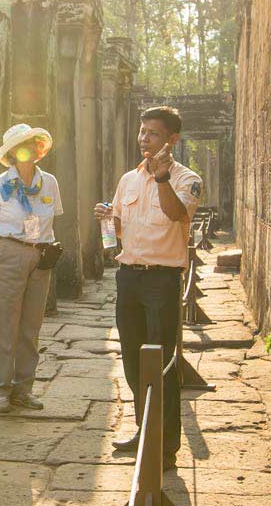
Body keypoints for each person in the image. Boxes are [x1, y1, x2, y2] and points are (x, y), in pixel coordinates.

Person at [98, 106, 203, 467]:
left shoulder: (187, 179)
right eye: (142, 132)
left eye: (153, 133)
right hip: (129, 276)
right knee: (130, 359)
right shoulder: (128, 179)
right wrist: (108, 221)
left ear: (172, 140)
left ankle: (166, 447)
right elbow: (121, 229)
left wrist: (161, 180)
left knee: (162, 364)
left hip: (162, 279)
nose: (144, 138)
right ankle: (145, 431)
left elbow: (177, 215)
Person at [0, 123, 61, 415]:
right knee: (5, 323)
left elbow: (52, 219)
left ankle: (24, 388)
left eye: (32, 144)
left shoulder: (50, 182)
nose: (28, 150)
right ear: (12, 154)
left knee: (31, 325)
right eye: (21, 145)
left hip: (40, 254)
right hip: (8, 251)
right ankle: (1, 388)